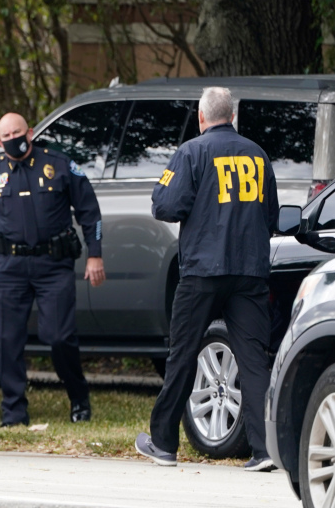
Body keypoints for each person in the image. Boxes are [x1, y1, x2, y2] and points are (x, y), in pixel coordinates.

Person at [135, 86, 279, 472]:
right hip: (249, 272)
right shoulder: (258, 155)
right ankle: (265, 450)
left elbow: (165, 205)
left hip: (202, 270)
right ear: (231, 115)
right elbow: (272, 216)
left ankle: (163, 443)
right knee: (252, 360)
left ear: (201, 118)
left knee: (182, 354)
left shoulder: (192, 151)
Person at [0, 112, 106, 428]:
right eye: (6, 136)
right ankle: (14, 412)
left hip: (53, 265)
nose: (14, 139)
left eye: (18, 132)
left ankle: (78, 396)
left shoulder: (58, 164)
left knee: (59, 337)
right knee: (7, 340)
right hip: (8, 266)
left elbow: (90, 212)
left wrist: (94, 255)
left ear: (29, 132)